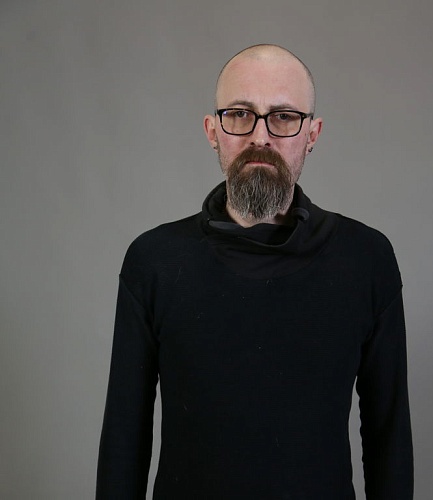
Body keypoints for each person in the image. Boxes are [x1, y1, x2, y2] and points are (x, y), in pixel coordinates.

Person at [96, 44, 413, 499]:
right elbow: (124, 439)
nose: (260, 137)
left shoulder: (366, 260)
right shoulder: (155, 261)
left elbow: (388, 438)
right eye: (240, 114)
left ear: (312, 134)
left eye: (283, 117)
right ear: (212, 130)